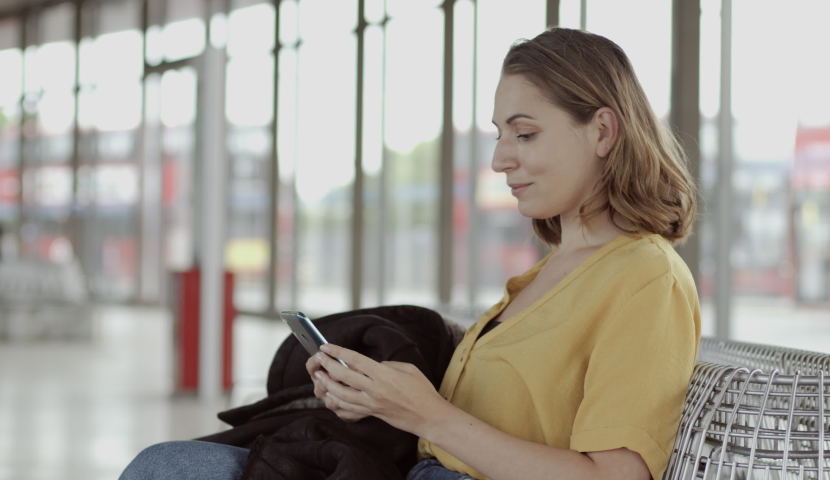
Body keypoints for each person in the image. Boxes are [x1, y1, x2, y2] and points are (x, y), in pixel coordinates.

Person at [120, 27, 700, 480]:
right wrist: (378, 399)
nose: (500, 159)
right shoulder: (552, 273)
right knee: (169, 465)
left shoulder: (645, 277)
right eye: (498, 134)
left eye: (525, 134)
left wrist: (428, 414)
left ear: (603, 131)